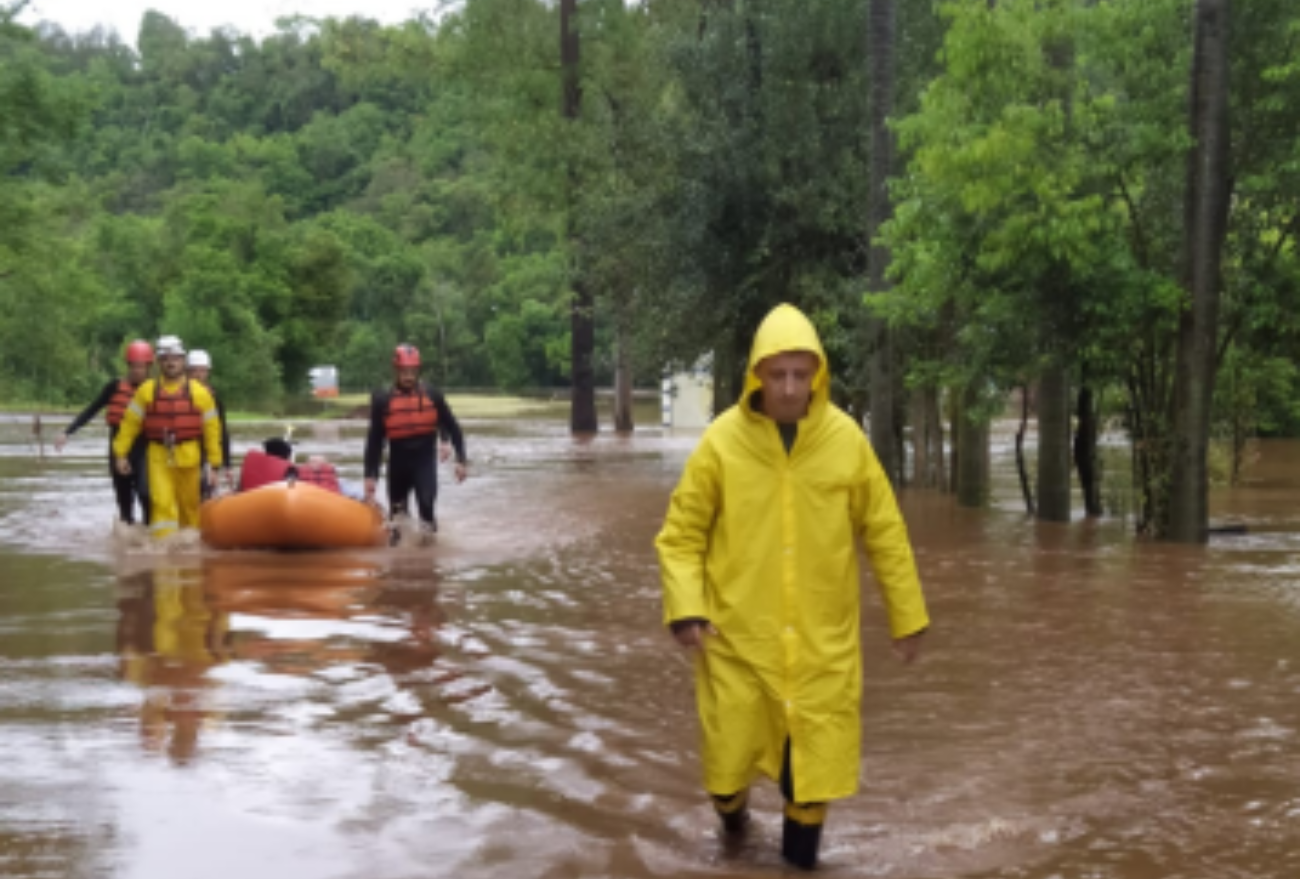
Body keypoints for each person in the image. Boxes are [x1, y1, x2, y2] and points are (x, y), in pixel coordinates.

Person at [654, 303, 930, 871]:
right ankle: (733, 823)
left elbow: (885, 531)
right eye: (776, 374)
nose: (788, 388)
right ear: (756, 374)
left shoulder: (845, 441)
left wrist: (908, 617)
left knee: (809, 776)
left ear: (817, 375)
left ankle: (800, 864)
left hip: (820, 646)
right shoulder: (722, 444)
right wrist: (686, 609)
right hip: (737, 641)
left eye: (800, 375)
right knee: (727, 769)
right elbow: (680, 535)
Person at [112, 335, 224, 539]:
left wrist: (214, 466)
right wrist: (121, 454)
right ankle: (163, 558)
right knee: (162, 505)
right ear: (159, 363)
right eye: (165, 359)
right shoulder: (147, 391)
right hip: (158, 456)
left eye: (175, 358)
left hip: (190, 456)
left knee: (190, 509)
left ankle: (189, 559)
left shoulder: (200, 394)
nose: (170, 362)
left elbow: (213, 431)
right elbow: (129, 425)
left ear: (182, 360)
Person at [363, 344, 467, 544]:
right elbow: (374, 440)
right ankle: (399, 566)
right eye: (404, 372)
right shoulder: (382, 399)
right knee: (398, 517)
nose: (408, 376)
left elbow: (453, 427)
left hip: (424, 461)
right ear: (396, 370)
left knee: (426, 507)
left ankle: (430, 561)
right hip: (398, 463)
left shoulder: (432, 394)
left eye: (412, 371)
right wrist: (370, 475)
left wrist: (461, 460)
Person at [55, 339, 154, 525]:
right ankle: (126, 542)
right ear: (128, 365)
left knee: (145, 493)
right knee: (124, 500)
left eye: (141, 366)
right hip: (117, 446)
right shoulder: (114, 386)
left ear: (149, 367)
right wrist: (68, 432)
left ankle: (149, 537)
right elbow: (92, 409)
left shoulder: (155, 389)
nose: (137, 370)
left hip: (144, 446)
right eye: (133, 366)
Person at [186, 349, 233, 498]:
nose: (199, 375)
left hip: (205, 454)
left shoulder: (214, 399)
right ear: (187, 372)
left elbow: (222, 431)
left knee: (205, 490)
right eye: (195, 371)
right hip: (184, 451)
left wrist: (227, 464)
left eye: (203, 371)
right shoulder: (176, 395)